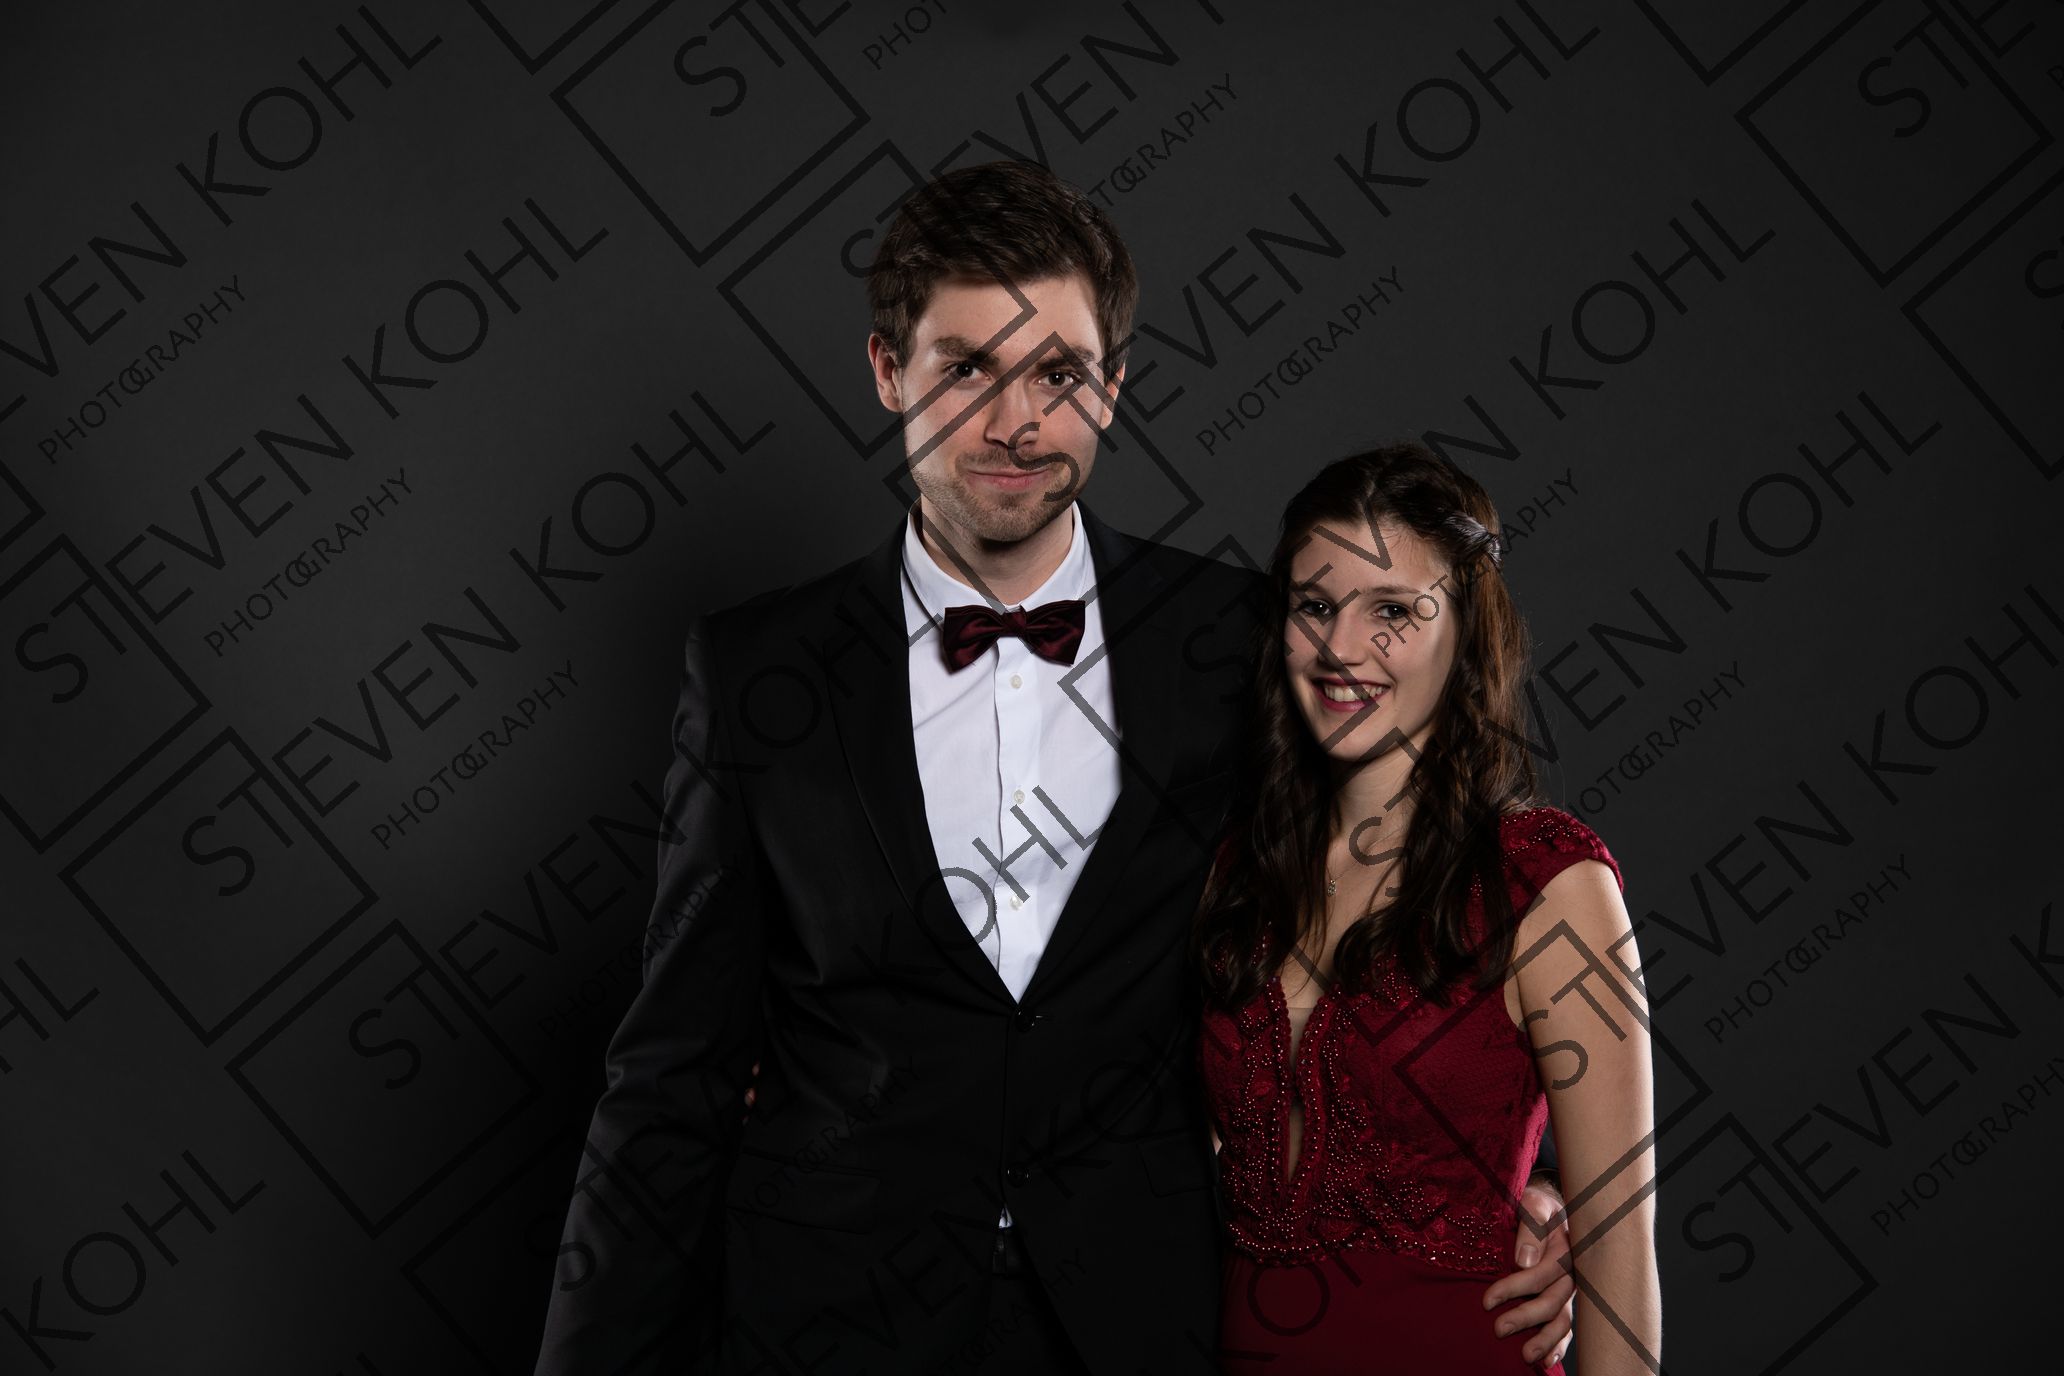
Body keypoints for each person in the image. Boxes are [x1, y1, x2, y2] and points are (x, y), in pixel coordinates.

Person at [530, 162, 1577, 1375]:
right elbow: (672, 1080)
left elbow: (1400, 912)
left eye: (1058, 374)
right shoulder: (757, 670)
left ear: (1114, 387)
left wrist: (1517, 1184)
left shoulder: (1238, 641)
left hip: (1147, 1321)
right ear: (887, 370)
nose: (1014, 421)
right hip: (829, 1324)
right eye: (966, 368)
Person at [1194, 443, 1663, 1373]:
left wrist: (1552, 1209)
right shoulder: (1235, 870)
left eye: (1394, 612)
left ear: (1465, 635)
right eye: (1315, 606)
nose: (1341, 649)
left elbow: (1620, 1248)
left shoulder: (1549, 883)